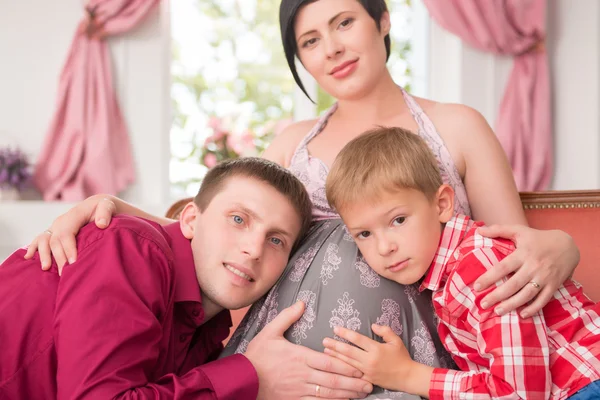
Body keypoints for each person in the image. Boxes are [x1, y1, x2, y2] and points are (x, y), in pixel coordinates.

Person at [25, 0, 580, 398]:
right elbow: (239, 227)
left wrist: (561, 246)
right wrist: (118, 210)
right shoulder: (293, 142)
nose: (332, 47)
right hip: (291, 335)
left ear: (383, 21)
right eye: (309, 41)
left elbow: (511, 248)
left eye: (344, 22)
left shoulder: (457, 126)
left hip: (410, 338)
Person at [0, 157, 374, 400]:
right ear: (192, 220)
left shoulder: (205, 333)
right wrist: (251, 375)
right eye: (238, 219)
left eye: (276, 240)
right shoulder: (131, 249)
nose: (254, 249)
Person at [321, 126, 600, 399]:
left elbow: (521, 393)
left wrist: (408, 375)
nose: (384, 247)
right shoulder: (449, 274)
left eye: (398, 220)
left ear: (442, 204)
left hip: (585, 384)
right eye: (365, 234)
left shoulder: (477, 267)